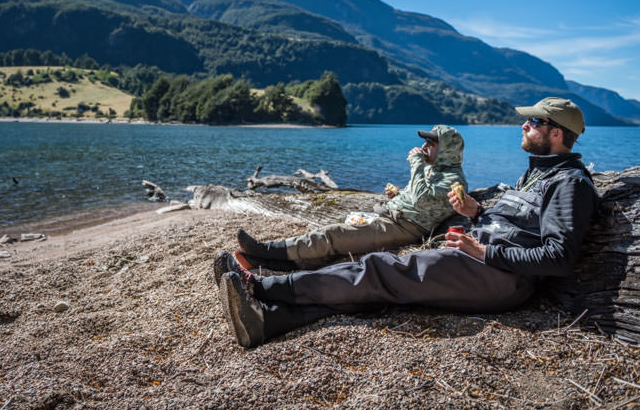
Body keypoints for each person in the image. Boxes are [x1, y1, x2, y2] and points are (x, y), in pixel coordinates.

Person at [215, 97, 599, 348]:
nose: (523, 126)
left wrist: (485, 249)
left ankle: (263, 287)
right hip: (480, 262)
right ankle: (271, 322)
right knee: (381, 291)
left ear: (556, 133)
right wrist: (475, 214)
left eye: (533, 122)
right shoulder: (536, 175)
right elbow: (521, 224)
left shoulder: (570, 182)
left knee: (379, 269)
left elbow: (559, 256)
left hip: (500, 276)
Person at [218, 125, 466, 276]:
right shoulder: (435, 170)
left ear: (445, 150)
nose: (424, 146)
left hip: (405, 227)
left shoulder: (453, 178)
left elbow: (423, 199)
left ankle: (267, 250)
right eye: (425, 141)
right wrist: (399, 194)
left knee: (333, 235)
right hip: (391, 215)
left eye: (430, 143)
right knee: (338, 233)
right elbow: (420, 198)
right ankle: (263, 262)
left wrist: (415, 163)